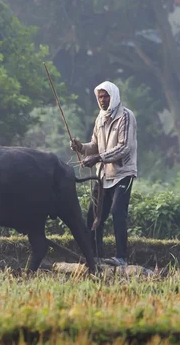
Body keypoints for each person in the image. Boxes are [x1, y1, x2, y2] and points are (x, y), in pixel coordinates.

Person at [70, 81, 137, 266]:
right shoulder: (100, 118)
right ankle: (94, 256)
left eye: (106, 96)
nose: (102, 100)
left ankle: (122, 257)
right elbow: (94, 145)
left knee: (117, 212)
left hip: (123, 173)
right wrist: (81, 147)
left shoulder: (126, 116)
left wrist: (98, 158)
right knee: (94, 215)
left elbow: (124, 147)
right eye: (100, 97)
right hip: (103, 176)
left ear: (113, 96)